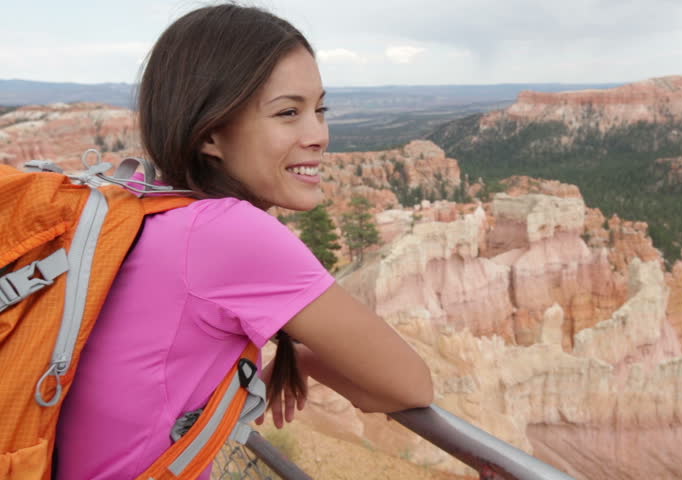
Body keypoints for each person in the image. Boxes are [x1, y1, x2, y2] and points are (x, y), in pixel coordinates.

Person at [55, 4, 434, 479]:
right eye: (288, 113)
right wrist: (311, 362)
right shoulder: (226, 232)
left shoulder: (146, 204)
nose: (318, 134)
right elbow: (411, 386)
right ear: (212, 133)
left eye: (320, 109)